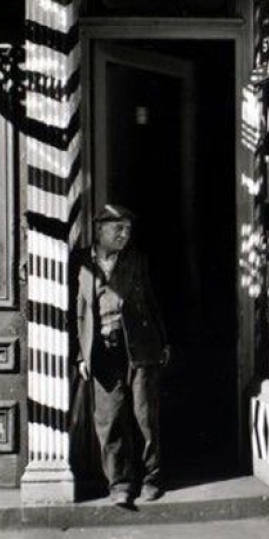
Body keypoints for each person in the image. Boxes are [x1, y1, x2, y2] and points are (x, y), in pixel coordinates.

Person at [72, 204, 170, 506]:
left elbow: (152, 301)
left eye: (128, 229)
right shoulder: (79, 262)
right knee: (109, 419)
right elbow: (72, 313)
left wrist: (163, 342)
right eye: (118, 228)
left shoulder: (136, 259)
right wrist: (80, 355)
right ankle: (120, 483)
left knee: (144, 417)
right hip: (101, 351)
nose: (125, 234)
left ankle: (151, 478)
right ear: (99, 229)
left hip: (140, 346)